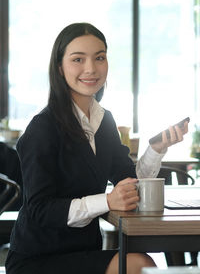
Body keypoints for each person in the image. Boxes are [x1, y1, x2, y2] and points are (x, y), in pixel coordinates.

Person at [5, 23, 188, 274]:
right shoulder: (43, 128)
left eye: (99, 58)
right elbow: (39, 210)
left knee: (141, 263)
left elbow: (129, 182)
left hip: (84, 250)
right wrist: (107, 200)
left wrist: (156, 149)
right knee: (140, 264)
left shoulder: (103, 120)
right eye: (78, 59)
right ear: (60, 68)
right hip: (38, 259)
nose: (91, 68)